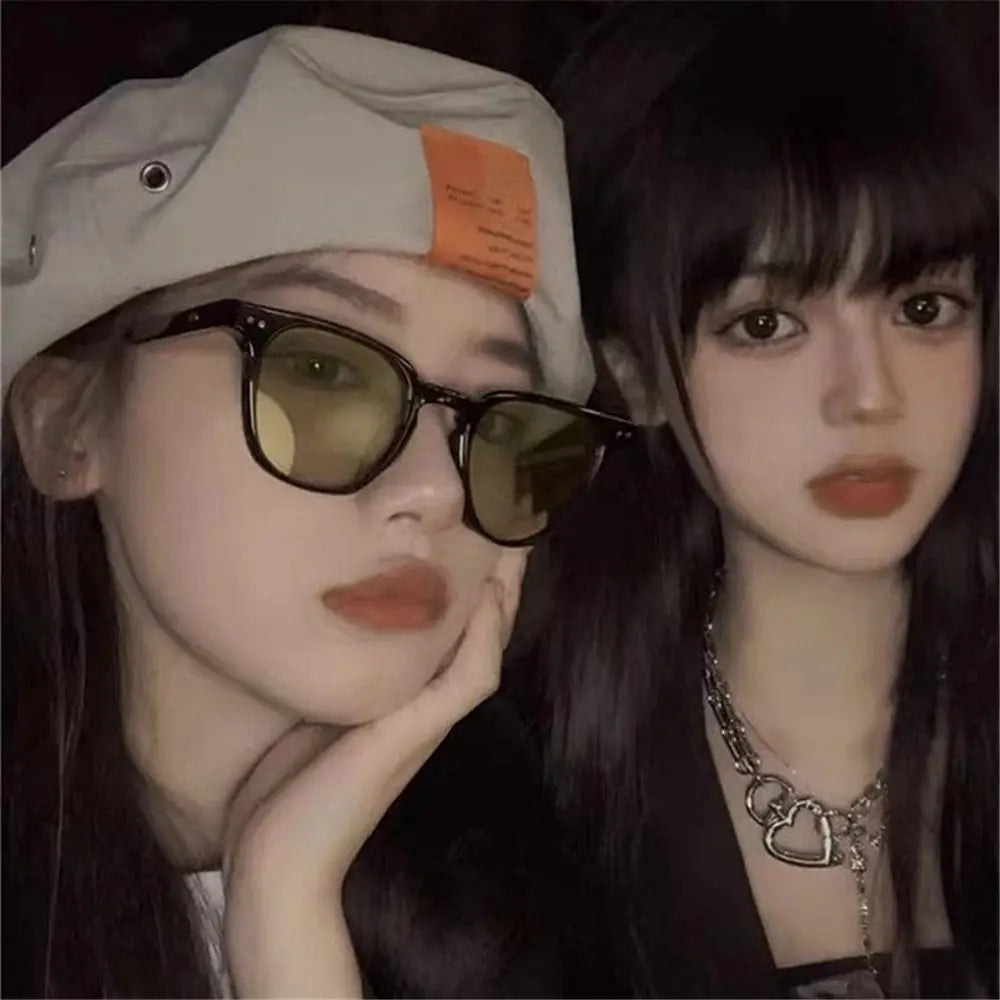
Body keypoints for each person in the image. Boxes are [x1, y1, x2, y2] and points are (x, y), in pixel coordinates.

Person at [1, 24, 634, 998]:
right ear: (65, 426)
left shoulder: (572, 891)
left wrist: (287, 908)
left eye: (493, 417)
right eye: (322, 371)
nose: (437, 488)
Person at [509, 3, 998, 997]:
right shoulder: (536, 774)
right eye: (767, 322)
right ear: (636, 377)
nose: (869, 395)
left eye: (923, 307)